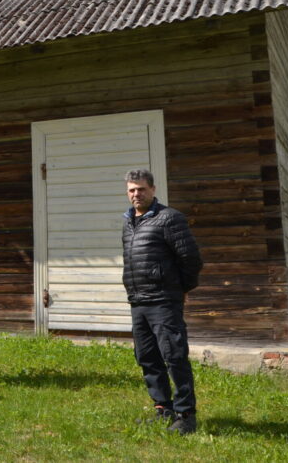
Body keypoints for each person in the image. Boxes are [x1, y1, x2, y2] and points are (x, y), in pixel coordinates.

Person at [122, 169, 203, 435]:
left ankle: (186, 415)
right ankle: (163, 409)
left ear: (153, 190)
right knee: (147, 357)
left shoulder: (169, 219)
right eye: (132, 189)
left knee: (174, 356)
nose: (137, 194)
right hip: (138, 301)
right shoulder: (128, 223)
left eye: (141, 189)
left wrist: (179, 290)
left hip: (164, 301)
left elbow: (191, 260)